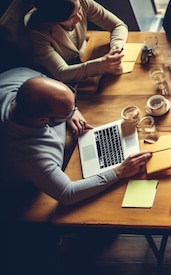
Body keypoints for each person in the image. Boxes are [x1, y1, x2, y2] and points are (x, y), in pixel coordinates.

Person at [0, 67, 152, 208]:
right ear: (42, 120)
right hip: (27, 193)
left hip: (64, 147)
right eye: (66, 113)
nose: (72, 112)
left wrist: (72, 111)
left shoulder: (20, 75)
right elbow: (68, 194)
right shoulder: (28, 155)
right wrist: (119, 172)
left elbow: (45, 80)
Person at [26, 0, 128, 84]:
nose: (80, 17)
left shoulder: (79, 0)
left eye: (79, 9)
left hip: (84, 56)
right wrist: (102, 65)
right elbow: (61, 73)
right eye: (72, 17)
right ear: (54, 19)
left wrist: (116, 48)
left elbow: (118, 25)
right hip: (55, 78)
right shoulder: (38, 33)